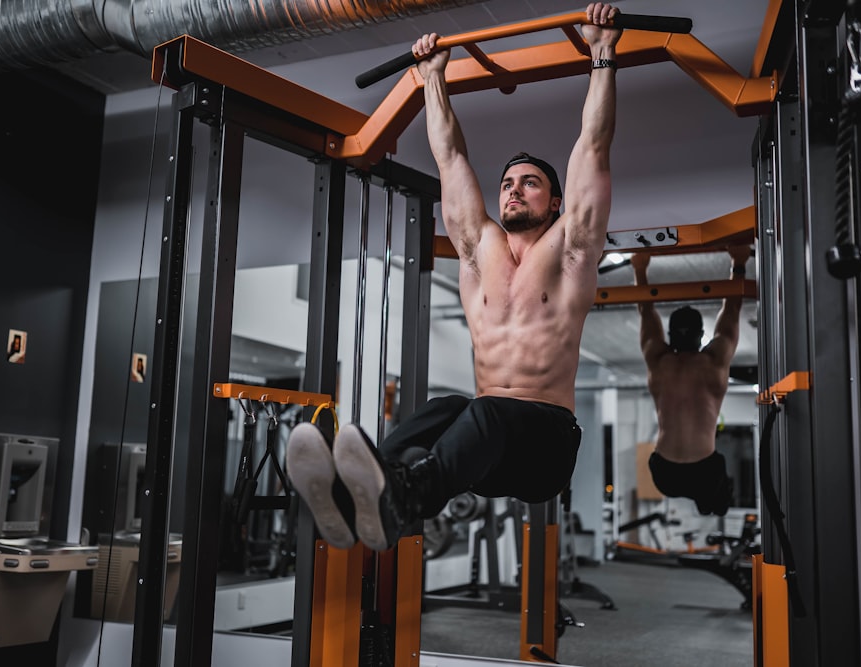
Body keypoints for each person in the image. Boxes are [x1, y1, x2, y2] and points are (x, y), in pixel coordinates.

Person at [286, 3, 623, 552]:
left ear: (556, 200)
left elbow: (594, 146)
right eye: (509, 182)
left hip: (546, 447)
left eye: (530, 183)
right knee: (448, 407)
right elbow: (450, 159)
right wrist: (433, 78)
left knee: (482, 410)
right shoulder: (479, 249)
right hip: (488, 454)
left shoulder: (570, 249)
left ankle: (406, 499)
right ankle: (361, 493)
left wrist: (602, 52)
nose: (513, 189)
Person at [630, 245, 751, 516]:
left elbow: (646, 313)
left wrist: (640, 268)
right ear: (701, 335)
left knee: (717, 498)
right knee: (716, 503)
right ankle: (711, 506)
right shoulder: (714, 362)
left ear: (670, 335)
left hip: (678, 471)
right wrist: (738, 262)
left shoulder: (658, 360)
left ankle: (712, 505)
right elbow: (731, 311)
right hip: (667, 472)